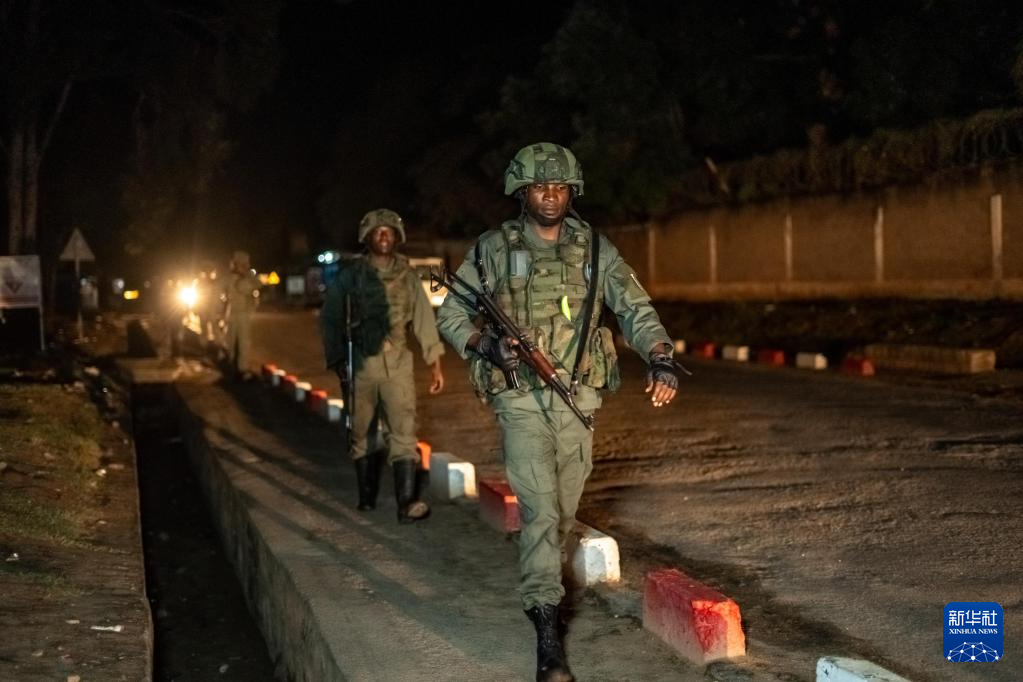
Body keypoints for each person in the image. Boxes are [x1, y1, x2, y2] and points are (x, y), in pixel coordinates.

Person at [436, 142, 681, 682]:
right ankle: (547, 635)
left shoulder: (595, 248)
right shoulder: (493, 248)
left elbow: (634, 308)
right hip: (520, 398)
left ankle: (545, 589)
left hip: (578, 397)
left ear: (573, 192)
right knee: (542, 514)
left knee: (563, 513)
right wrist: (485, 344)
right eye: (540, 187)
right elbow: (452, 313)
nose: (550, 195)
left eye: (560, 187)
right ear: (522, 191)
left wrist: (660, 357)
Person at [320, 208, 445, 523]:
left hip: (398, 363)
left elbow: (424, 319)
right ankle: (366, 497)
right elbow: (331, 317)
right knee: (361, 431)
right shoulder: (351, 276)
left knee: (403, 431)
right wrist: (337, 359)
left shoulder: (408, 276)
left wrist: (434, 361)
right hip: (361, 362)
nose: (384, 236)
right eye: (378, 232)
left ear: (397, 237)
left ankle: (406, 505)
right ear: (367, 238)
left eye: (389, 231)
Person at [221, 250, 261, 380]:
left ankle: (242, 368)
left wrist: (248, 276)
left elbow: (258, 285)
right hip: (232, 314)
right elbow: (222, 292)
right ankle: (231, 365)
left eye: (245, 264)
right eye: (241, 264)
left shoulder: (248, 278)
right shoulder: (230, 278)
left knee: (244, 342)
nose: (244, 267)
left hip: (244, 314)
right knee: (230, 341)